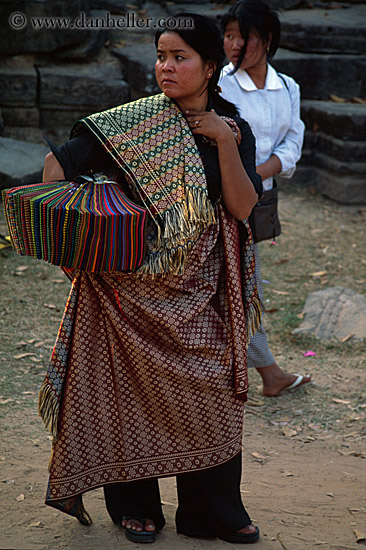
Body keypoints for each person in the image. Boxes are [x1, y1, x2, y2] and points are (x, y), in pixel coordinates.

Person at [40, 13, 263, 544]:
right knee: (129, 398)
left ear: (210, 67)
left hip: (200, 294)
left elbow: (243, 206)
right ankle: (136, 507)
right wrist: (83, 250)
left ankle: (211, 512)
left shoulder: (234, 127)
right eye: (160, 56)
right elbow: (54, 170)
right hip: (125, 297)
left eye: (179, 57)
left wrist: (224, 144)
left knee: (213, 392)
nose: (165, 67)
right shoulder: (126, 127)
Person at [219, 0, 311, 397]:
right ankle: (267, 372)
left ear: (268, 40)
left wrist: (258, 175)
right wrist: (240, 181)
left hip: (260, 201)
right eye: (228, 35)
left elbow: (293, 141)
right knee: (241, 285)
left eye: (245, 36)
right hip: (218, 201)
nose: (234, 44)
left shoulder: (287, 87)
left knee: (237, 284)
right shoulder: (216, 84)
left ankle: (249, 371)